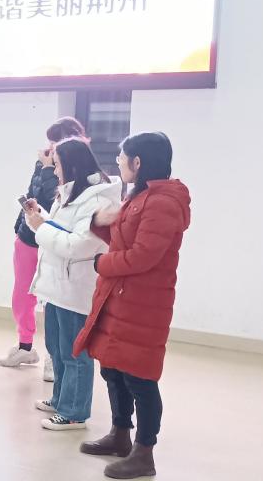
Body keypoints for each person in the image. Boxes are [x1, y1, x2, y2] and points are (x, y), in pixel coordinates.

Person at [74, 132, 190, 479]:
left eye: (122, 157)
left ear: (137, 162)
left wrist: (101, 263)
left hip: (142, 304)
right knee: (113, 370)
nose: (118, 162)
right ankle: (120, 434)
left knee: (140, 378)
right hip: (120, 298)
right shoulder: (140, 195)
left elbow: (143, 256)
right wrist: (99, 223)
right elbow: (125, 239)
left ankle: (144, 453)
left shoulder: (163, 202)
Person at [23, 138, 121, 431]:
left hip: (76, 288)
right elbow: (59, 230)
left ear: (73, 165)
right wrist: (39, 217)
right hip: (57, 286)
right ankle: (60, 399)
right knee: (56, 346)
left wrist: (41, 229)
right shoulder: (68, 193)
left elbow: (77, 245)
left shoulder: (98, 200)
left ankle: (74, 412)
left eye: (57, 165)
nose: (55, 171)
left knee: (74, 352)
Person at [1, 117, 88, 381]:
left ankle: (54, 357)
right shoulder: (44, 163)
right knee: (21, 295)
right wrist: (20, 224)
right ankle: (25, 347)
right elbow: (33, 192)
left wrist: (50, 169)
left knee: (53, 301)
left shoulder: (79, 167)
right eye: (50, 141)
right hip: (28, 237)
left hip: (54, 241)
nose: (50, 147)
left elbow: (55, 200)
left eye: (55, 141)